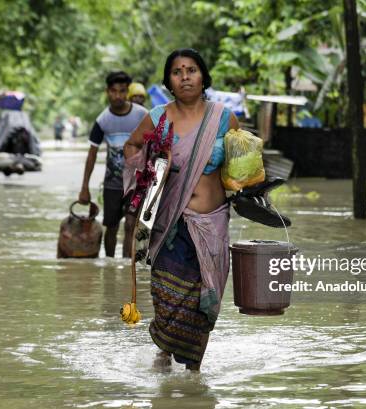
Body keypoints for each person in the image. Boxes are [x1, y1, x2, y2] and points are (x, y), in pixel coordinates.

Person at [123, 49, 239, 370]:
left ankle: (193, 373)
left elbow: (242, 165)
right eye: (177, 72)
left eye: (192, 70)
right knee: (169, 298)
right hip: (168, 226)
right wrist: (155, 162)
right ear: (169, 81)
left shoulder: (224, 118)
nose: (185, 77)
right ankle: (163, 351)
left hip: (211, 225)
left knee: (203, 300)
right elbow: (131, 148)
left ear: (203, 77)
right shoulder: (158, 116)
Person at [79, 71, 148, 257]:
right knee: (111, 226)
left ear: (127, 92)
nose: (117, 96)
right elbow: (92, 154)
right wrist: (84, 187)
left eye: (122, 91)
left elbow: (157, 146)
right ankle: (110, 264)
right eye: (113, 91)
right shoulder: (103, 120)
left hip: (137, 181)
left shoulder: (143, 115)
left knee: (131, 224)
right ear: (107, 92)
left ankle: (126, 266)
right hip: (112, 183)